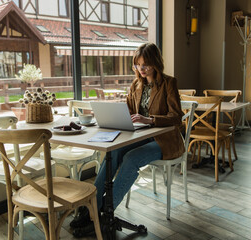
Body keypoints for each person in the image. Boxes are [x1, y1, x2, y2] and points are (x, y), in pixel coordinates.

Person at [71, 42, 185, 237]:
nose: (141, 69)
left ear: (155, 63)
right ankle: (91, 208)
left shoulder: (169, 83)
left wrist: (150, 120)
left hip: (164, 140)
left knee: (131, 158)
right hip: (139, 135)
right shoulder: (136, 85)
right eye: (138, 64)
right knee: (113, 152)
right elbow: (129, 113)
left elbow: (177, 117)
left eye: (146, 65)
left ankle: (105, 212)